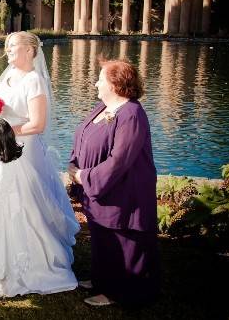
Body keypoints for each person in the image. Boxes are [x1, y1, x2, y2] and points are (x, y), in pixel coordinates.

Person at [0, 31, 79, 301]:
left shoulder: (34, 81)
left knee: (18, 207)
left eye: (13, 46)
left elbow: (38, 124)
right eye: (7, 46)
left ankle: (15, 271)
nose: (7, 50)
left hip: (21, 152)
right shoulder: (7, 76)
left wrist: (6, 130)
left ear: (31, 50)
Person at [68, 59, 159, 307]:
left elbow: (119, 161)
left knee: (123, 241)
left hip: (125, 191)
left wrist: (83, 176)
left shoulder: (131, 114)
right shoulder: (103, 107)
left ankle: (119, 291)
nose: (96, 82)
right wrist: (74, 162)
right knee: (104, 238)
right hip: (102, 192)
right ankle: (101, 280)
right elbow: (83, 136)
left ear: (116, 84)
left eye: (101, 78)